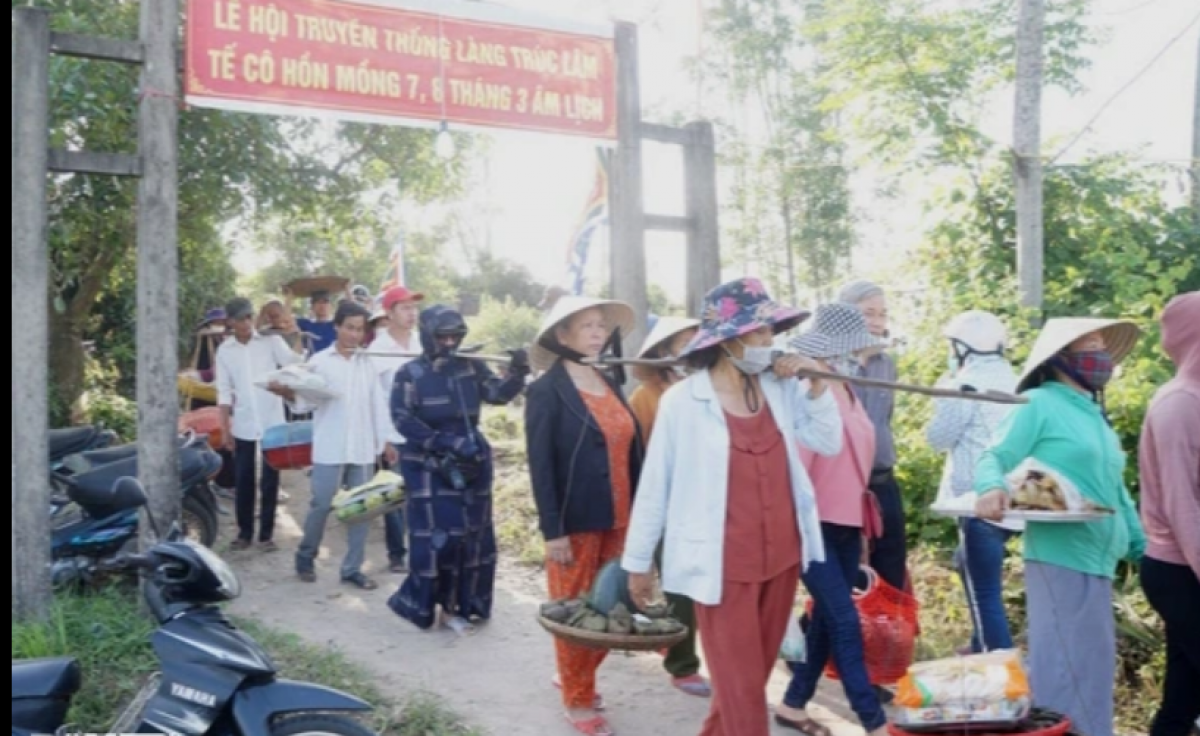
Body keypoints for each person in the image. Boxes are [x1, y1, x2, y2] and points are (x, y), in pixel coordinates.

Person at [622, 278, 842, 736]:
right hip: (721, 567)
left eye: (771, 332)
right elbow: (656, 485)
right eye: (760, 333)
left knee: (746, 685)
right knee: (744, 700)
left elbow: (827, 440)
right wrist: (638, 563)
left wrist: (818, 385)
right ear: (728, 340)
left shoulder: (780, 390)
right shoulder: (683, 401)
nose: (770, 342)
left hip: (781, 558)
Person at [975, 318, 1146, 736]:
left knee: (1091, 674)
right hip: (1060, 559)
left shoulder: (1093, 415)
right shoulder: (1038, 404)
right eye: (1090, 345)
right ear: (1058, 359)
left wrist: (1143, 548)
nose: (1100, 355)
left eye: (1103, 346)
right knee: (1064, 675)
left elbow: (1114, 491)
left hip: (1098, 561)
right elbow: (993, 457)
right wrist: (990, 488)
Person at [524, 296, 643, 736]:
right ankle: (577, 698)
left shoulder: (608, 378)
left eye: (600, 326)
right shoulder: (545, 391)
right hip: (575, 519)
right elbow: (541, 465)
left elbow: (631, 448)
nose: (597, 333)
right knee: (577, 611)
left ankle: (572, 669)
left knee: (614, 606)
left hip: (623, 515)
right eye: (587, 326)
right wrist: (552, 529)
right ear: (562, 335)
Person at [775, 302, 888, 735]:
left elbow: (856, 462)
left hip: (844, 524)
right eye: (856, 346)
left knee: (827, 618)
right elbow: (796, 468)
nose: (862, 353)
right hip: (812, 526)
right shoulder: (810, 390)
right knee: (843, 620)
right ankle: (873, 722)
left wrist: (859, 529)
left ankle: (793, 704)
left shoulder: (847, 388)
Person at [386, 306, 528, 633]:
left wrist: (517, 374)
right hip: (426, 463)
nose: (449, 342)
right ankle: (424, 605)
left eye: (455, 336)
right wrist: (442, 443)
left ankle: (460, 606)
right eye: (442, 336)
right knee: (439, 538)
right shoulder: (410, 373)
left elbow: (496, 395)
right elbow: (402, 418)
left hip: (472, 459)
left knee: (473, 536)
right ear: (427, 336)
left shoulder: (471, 367)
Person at [274, 300, 398, 589]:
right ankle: (305, 557)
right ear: (337, 328)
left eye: (360, 330)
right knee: (321, 504)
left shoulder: (369, 362)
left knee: (362, 507)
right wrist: (287, 394)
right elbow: (306, 402)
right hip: (330, 446)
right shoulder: (320, 362)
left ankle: (352, 568)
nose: (355, 335)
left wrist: (386, 440)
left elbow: (377, 403)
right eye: (350, 328)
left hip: (362, 447)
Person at [925, 310, 1022, 652]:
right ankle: (978, 644)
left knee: (985, 594)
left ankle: (1001, 673)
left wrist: (941, 399)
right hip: (1018, 498)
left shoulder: (960, 386)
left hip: (977, 500)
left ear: (962, 348)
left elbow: (938, 439)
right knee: (966, 561)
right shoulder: (1020, 380)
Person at [627, 316, 710, 697]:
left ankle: (681, 645)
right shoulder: (647, 396)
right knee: (677, 585)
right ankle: (681, 664)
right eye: (683, 341)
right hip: (667, 499)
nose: (692, 346)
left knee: (699, 583)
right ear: (665, 351)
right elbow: (642, 455)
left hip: (703, 496)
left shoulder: (706, 386)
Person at [1138, 291, 1200, 736]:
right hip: (1179, 571)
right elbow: (1183, 506)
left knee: (1184, 691)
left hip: (1188, 568)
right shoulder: (1178, 405)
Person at [216, 297, 301, 550]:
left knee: (270, 479)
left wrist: (293, 333)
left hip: (272, 420)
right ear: (230, 322)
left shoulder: (270, 341)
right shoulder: (225, 351)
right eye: (241, 318)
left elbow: (294, 362)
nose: (247, 322)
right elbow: (223, 390)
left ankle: (266, 535)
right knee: (243, 478)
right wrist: (224, 427)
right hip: (243, 421)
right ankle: (244, 533)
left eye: (249, 317)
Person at [838, 280, 907, 593]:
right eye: (869, 313)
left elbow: (884, 421)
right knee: (850, 573)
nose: (878, 321)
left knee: (892, 566)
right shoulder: (830, 366)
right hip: (842, 485)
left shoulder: (886, 365)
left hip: (882, 479)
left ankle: (888, 637)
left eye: (883, 314)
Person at [371, 285, 424, 573]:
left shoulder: (422, 344)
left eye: (413, 308)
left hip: (423, 433)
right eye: (404, 308)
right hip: (394, 433)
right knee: (395, 494)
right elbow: (376, 397)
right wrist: (384, 438)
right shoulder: (378, 350)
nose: (411, 313)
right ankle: (396, 553)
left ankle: (420, 550)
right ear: (388, 313)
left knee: (422, 495)